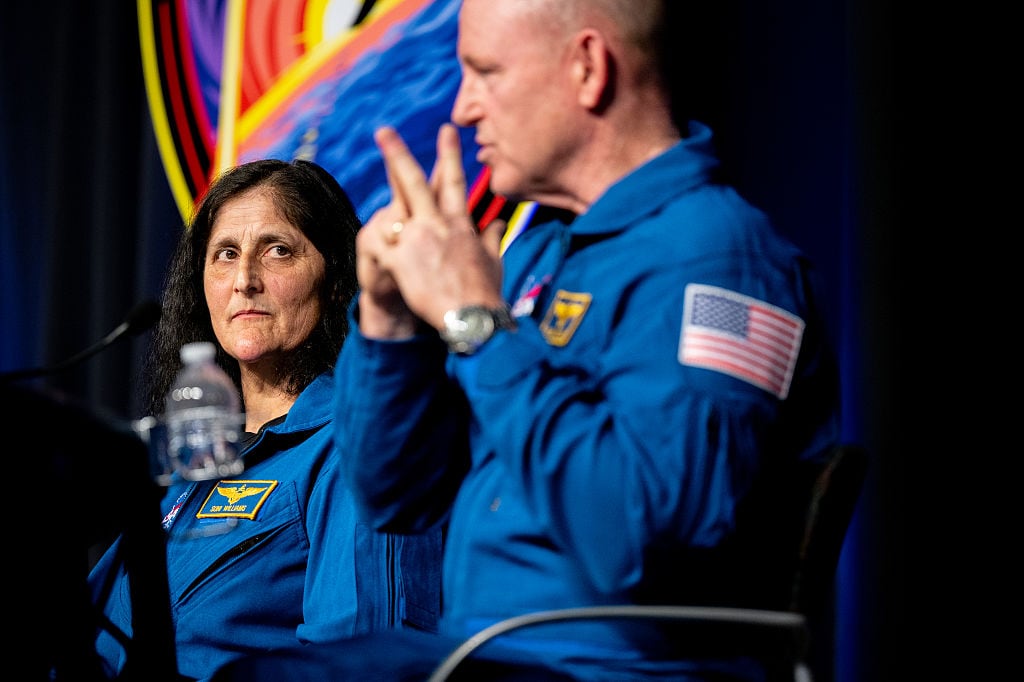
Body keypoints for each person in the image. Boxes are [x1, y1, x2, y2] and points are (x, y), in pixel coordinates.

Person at [213, 0, 841, 679]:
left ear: (587, 68)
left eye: (486, 73)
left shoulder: (717, 261)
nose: (463, 108)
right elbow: (396, 495)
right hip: (485, 655)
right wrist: (389, 323)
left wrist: (475, 322)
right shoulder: (537, 255)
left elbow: (639, 539)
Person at [86, 158, 444, 681]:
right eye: (225, 255)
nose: (245, 281)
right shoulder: (191, 462)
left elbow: (364, 662)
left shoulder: (357, 446)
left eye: (278, 251)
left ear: (337, 279)